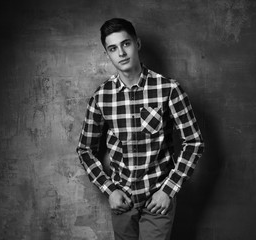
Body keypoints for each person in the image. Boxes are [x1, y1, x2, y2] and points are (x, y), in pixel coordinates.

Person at [77, 18, 204, 240]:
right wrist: (109, 190)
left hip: (157, 199)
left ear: (137, 43)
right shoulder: (101, 97)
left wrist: (168, 190)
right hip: (122, 201)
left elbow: (193, 142)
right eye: (113, 48)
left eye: (126, 44)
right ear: (107, 54)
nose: (121, 53)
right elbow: (85, 150)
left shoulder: (169, 89)